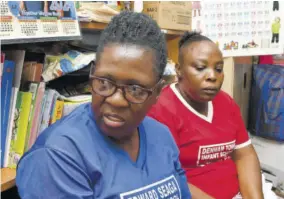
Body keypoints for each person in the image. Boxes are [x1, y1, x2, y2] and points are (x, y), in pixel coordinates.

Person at [16, 12, 191, 199]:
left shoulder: (161, 136)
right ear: (92, 76)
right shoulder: (57, 156)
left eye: (135, 89)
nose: (116, 100)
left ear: (157, 92)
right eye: (104, 83)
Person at [148, 32, 264, 199]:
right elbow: (166, 177)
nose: (212, 76)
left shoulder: (227, 103)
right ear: (179, 70)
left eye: (218, 69)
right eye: (201, 68)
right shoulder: (160, 109)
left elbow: (244, 154)